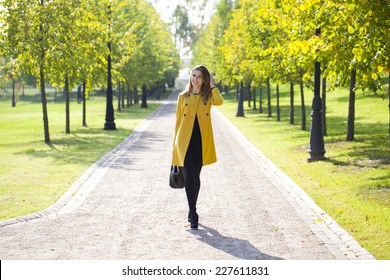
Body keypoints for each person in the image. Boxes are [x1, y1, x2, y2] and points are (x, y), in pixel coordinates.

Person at [171, 65, 223, 230]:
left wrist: (213, 86)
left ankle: (192, 209)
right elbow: (178, 122)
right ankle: (193, 213)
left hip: (200, 141)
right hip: (184, 142)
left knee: (195, 177)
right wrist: (174, 148)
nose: (195, 79)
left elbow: (220, 102)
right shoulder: (182, 96)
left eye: (199, 76)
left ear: (204, 79)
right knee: (188, 176)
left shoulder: (207, 96)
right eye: (193, 76)